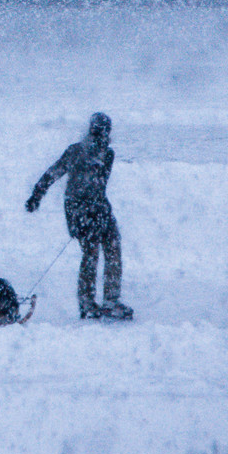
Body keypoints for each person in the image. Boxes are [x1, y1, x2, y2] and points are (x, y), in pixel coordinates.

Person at [25, 112, 133, 320]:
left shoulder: (108, 155)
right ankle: (87, 303)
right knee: (90, 252)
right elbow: (53, 173)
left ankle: (111, 301)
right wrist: (36, 196)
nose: (102, 136)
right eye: (99, 131)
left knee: (113, 246)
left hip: (101, 207)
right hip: (78, 209)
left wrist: (100, 211)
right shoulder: (75, 151)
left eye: (104, 132)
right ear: (92, 130)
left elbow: (99, 186)